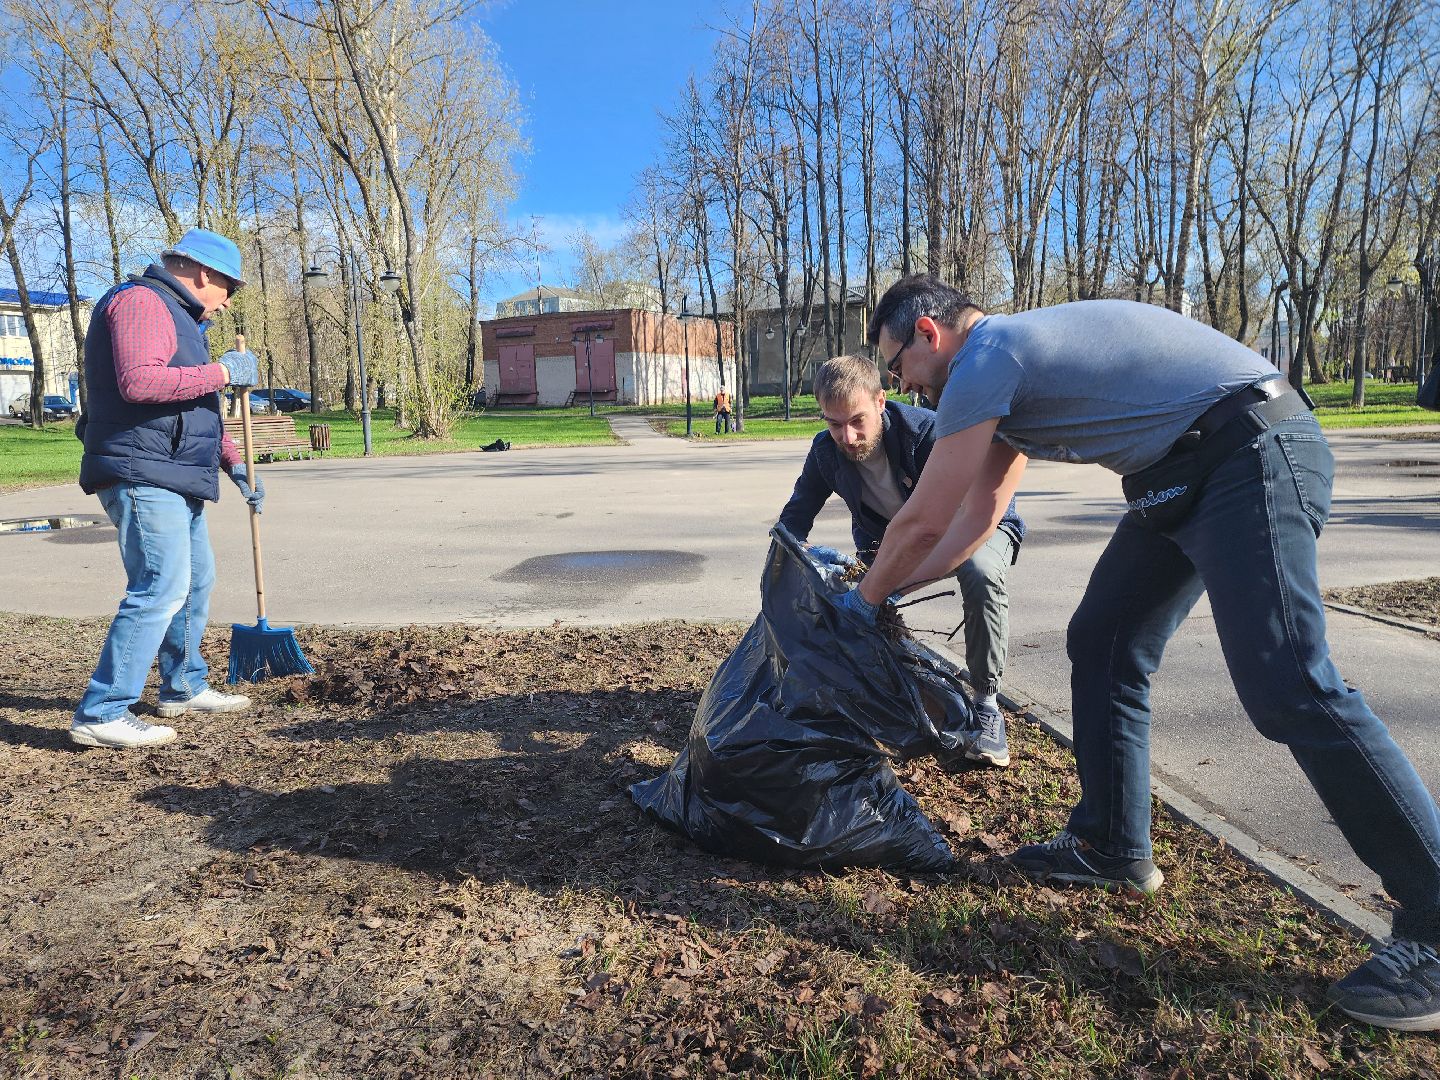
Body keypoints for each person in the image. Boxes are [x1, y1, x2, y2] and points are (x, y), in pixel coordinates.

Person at [840, 273, 1440, 1031]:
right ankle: (1111, 844)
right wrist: (884, 592)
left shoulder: (989, 354)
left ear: (928, 334)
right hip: (1178, 473)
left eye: (897, 368)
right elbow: (973, 521)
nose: (903, 388)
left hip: (1248, 450)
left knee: (1288, 681)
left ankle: (1436, 924)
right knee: (1103, 642)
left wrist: (858, 605)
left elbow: (925, 517)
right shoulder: (1005, 374)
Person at [71, 228, 266, 749]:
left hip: (175, 472)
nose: (226, 304)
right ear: (204, 273)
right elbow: (141, 383)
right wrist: (221, 371)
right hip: (142, 469)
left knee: (196, 580)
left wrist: (235, 463)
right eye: (230, 289)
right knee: (160, 584)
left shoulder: (182, 318)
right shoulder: (140, 302)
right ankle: (103, 710)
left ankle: (181, 685)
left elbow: (192, 410)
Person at [778, 354, 1025, 767]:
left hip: (977, 522)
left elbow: (966, 515)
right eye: (834, 423)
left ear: (880, 400)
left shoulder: (927, 433)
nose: (848, 436)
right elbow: (796, 518)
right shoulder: (826, 450)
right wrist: (781, 572)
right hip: (892, 538)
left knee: (980, 572)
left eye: (857, 419)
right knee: (855, 608)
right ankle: (882, 695)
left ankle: (986, 705)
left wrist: (887, 583)